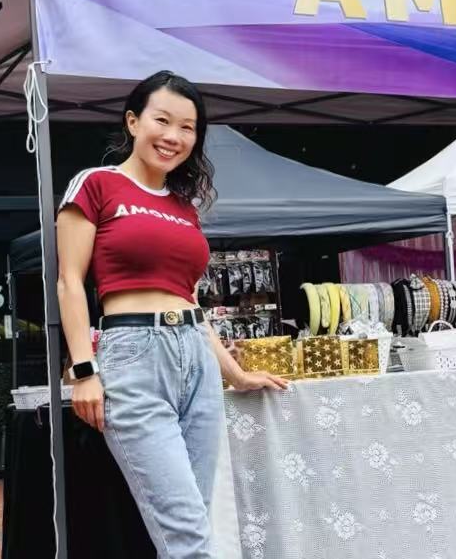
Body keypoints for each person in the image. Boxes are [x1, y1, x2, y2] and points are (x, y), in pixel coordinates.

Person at [57, 71, 288, 558]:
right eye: (162, 121)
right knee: (187, 537)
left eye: (187, 127)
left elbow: (191, 304)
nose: (173, 136)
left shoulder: (185, 207)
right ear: (133, 122)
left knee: (194, 520)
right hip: (134, 356)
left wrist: (235, 373)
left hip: (195, 361)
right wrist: (85, 371)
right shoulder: (96, 184)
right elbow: (69, 283)